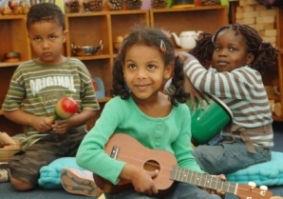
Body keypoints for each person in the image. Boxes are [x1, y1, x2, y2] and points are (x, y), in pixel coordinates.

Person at [61, 27, 226, 199]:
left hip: (170, 186)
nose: (140, 75)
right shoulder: (118, 107)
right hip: (126, 190)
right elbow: (86, 153)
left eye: (151, 66)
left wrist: (203, 180)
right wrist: (133, 173)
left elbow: (184, 159)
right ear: (123, 70)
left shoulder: (180, 110)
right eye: (132, 66)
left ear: (167, 70)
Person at [0, 2, 100, 191]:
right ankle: (69, 172)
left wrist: (72, 122)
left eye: (52, 37)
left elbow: (92, 107)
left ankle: (57, 172)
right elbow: (9, 109)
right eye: (37, 38)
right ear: (28, 37)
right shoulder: (23, 71)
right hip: (41, 141)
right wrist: (34, 120)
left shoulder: (77, 67)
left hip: (75, 137)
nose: (45, 45)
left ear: (64, 36)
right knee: (19, 183)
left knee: (109, 161)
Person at [167, 23, 277, 175]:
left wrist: (189, 59)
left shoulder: (247, 76)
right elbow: (169, 88)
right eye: (218, 48)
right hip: (229, 142)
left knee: (190, 156)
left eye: (232, 49)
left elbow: (201, 81)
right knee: (177, 149)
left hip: (252, 149)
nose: (222, 53)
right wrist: (186, 80)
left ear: (249, 58)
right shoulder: (218, 74)